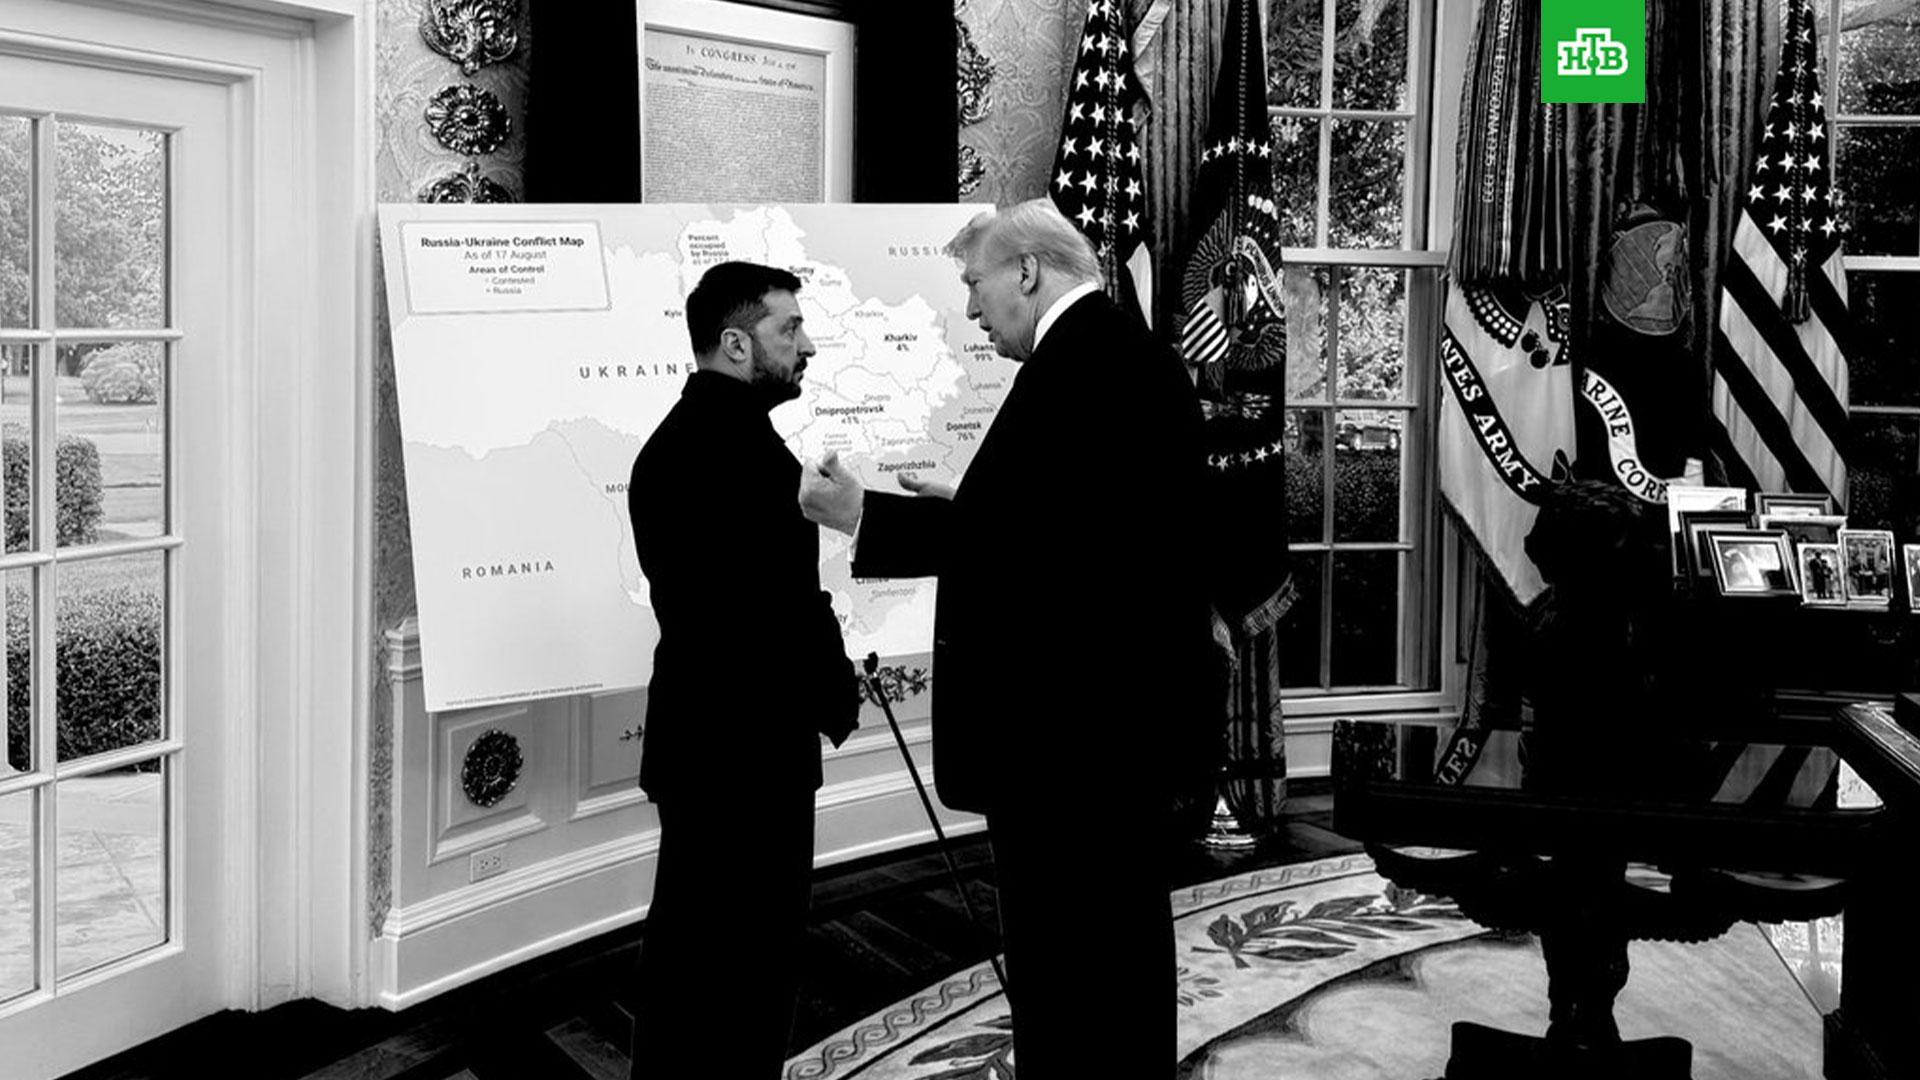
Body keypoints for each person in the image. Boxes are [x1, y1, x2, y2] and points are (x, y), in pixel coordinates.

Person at [798, 199, 1216, 1076]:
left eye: (974, 283)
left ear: (1026, 271)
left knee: (1076, 972)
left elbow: (1044, 552)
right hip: (1101, 738)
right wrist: (970, 505)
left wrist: (863, 515)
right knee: (1109, 964)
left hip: (1073, 747)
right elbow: (1074, 534)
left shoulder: (1083, 365)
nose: (971, 308)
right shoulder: (1112, 355)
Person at [627, 261, 860, 1078]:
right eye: (788, 329)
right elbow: (770, 612)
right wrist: (834, 688)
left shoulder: (680, 442)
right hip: (748, 753)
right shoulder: (745, 458)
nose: (808, 345)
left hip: (705, 742)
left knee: (692, 959)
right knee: (744, 973)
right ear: (735, 344)